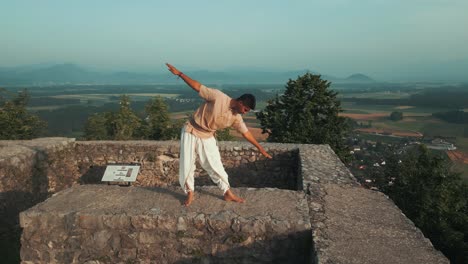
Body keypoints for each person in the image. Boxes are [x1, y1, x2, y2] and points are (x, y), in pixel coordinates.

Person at [166, 63, 272, 206]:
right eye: (245, 109)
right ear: (240, 102)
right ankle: (190, 192)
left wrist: (261, 149)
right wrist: (180, 74)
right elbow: (197, 87)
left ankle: (227, 193)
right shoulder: (218, 97)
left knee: (215, 165)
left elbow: (246, 134)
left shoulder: (236, 117)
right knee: (187, 164)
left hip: (208, 135)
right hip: (191, 130)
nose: (245, 112)